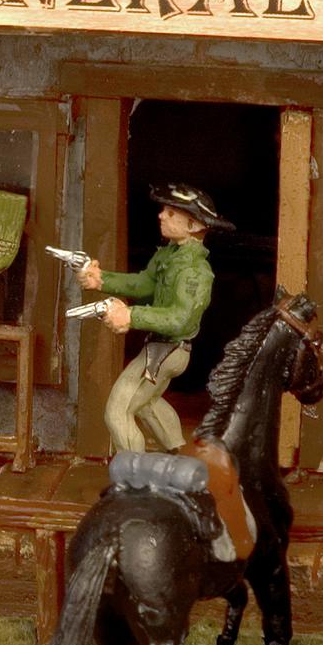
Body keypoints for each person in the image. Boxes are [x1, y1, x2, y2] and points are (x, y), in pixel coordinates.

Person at [77, 183, 229, 460]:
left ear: (194, 225)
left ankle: (134, 474)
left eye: (171, 213)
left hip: (169, 350)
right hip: (160, 348)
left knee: (118, 410)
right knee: (148, 403)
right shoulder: (169, 255)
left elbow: (180, 319)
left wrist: (131, 315)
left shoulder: (196, 271)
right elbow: (143, 284)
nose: (161, 215)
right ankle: (180, 455)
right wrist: (102, 280)